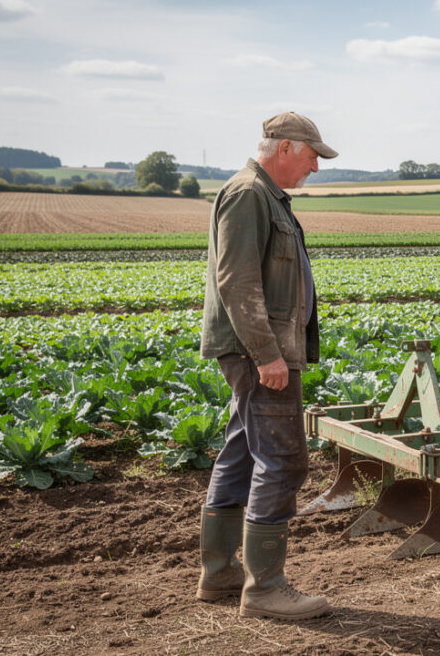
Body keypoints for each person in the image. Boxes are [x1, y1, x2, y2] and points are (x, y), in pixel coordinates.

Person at [196, 112, 336, 620]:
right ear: (285, 148)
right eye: (312, 156)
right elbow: (237, 280)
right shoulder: (249, 194)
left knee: (242, 450)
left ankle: (221, 573)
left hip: (256, 350)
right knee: (283, 461)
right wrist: (268, 355)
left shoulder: (262, 194)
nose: (315, 169)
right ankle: (265, 588)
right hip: (259, 352)